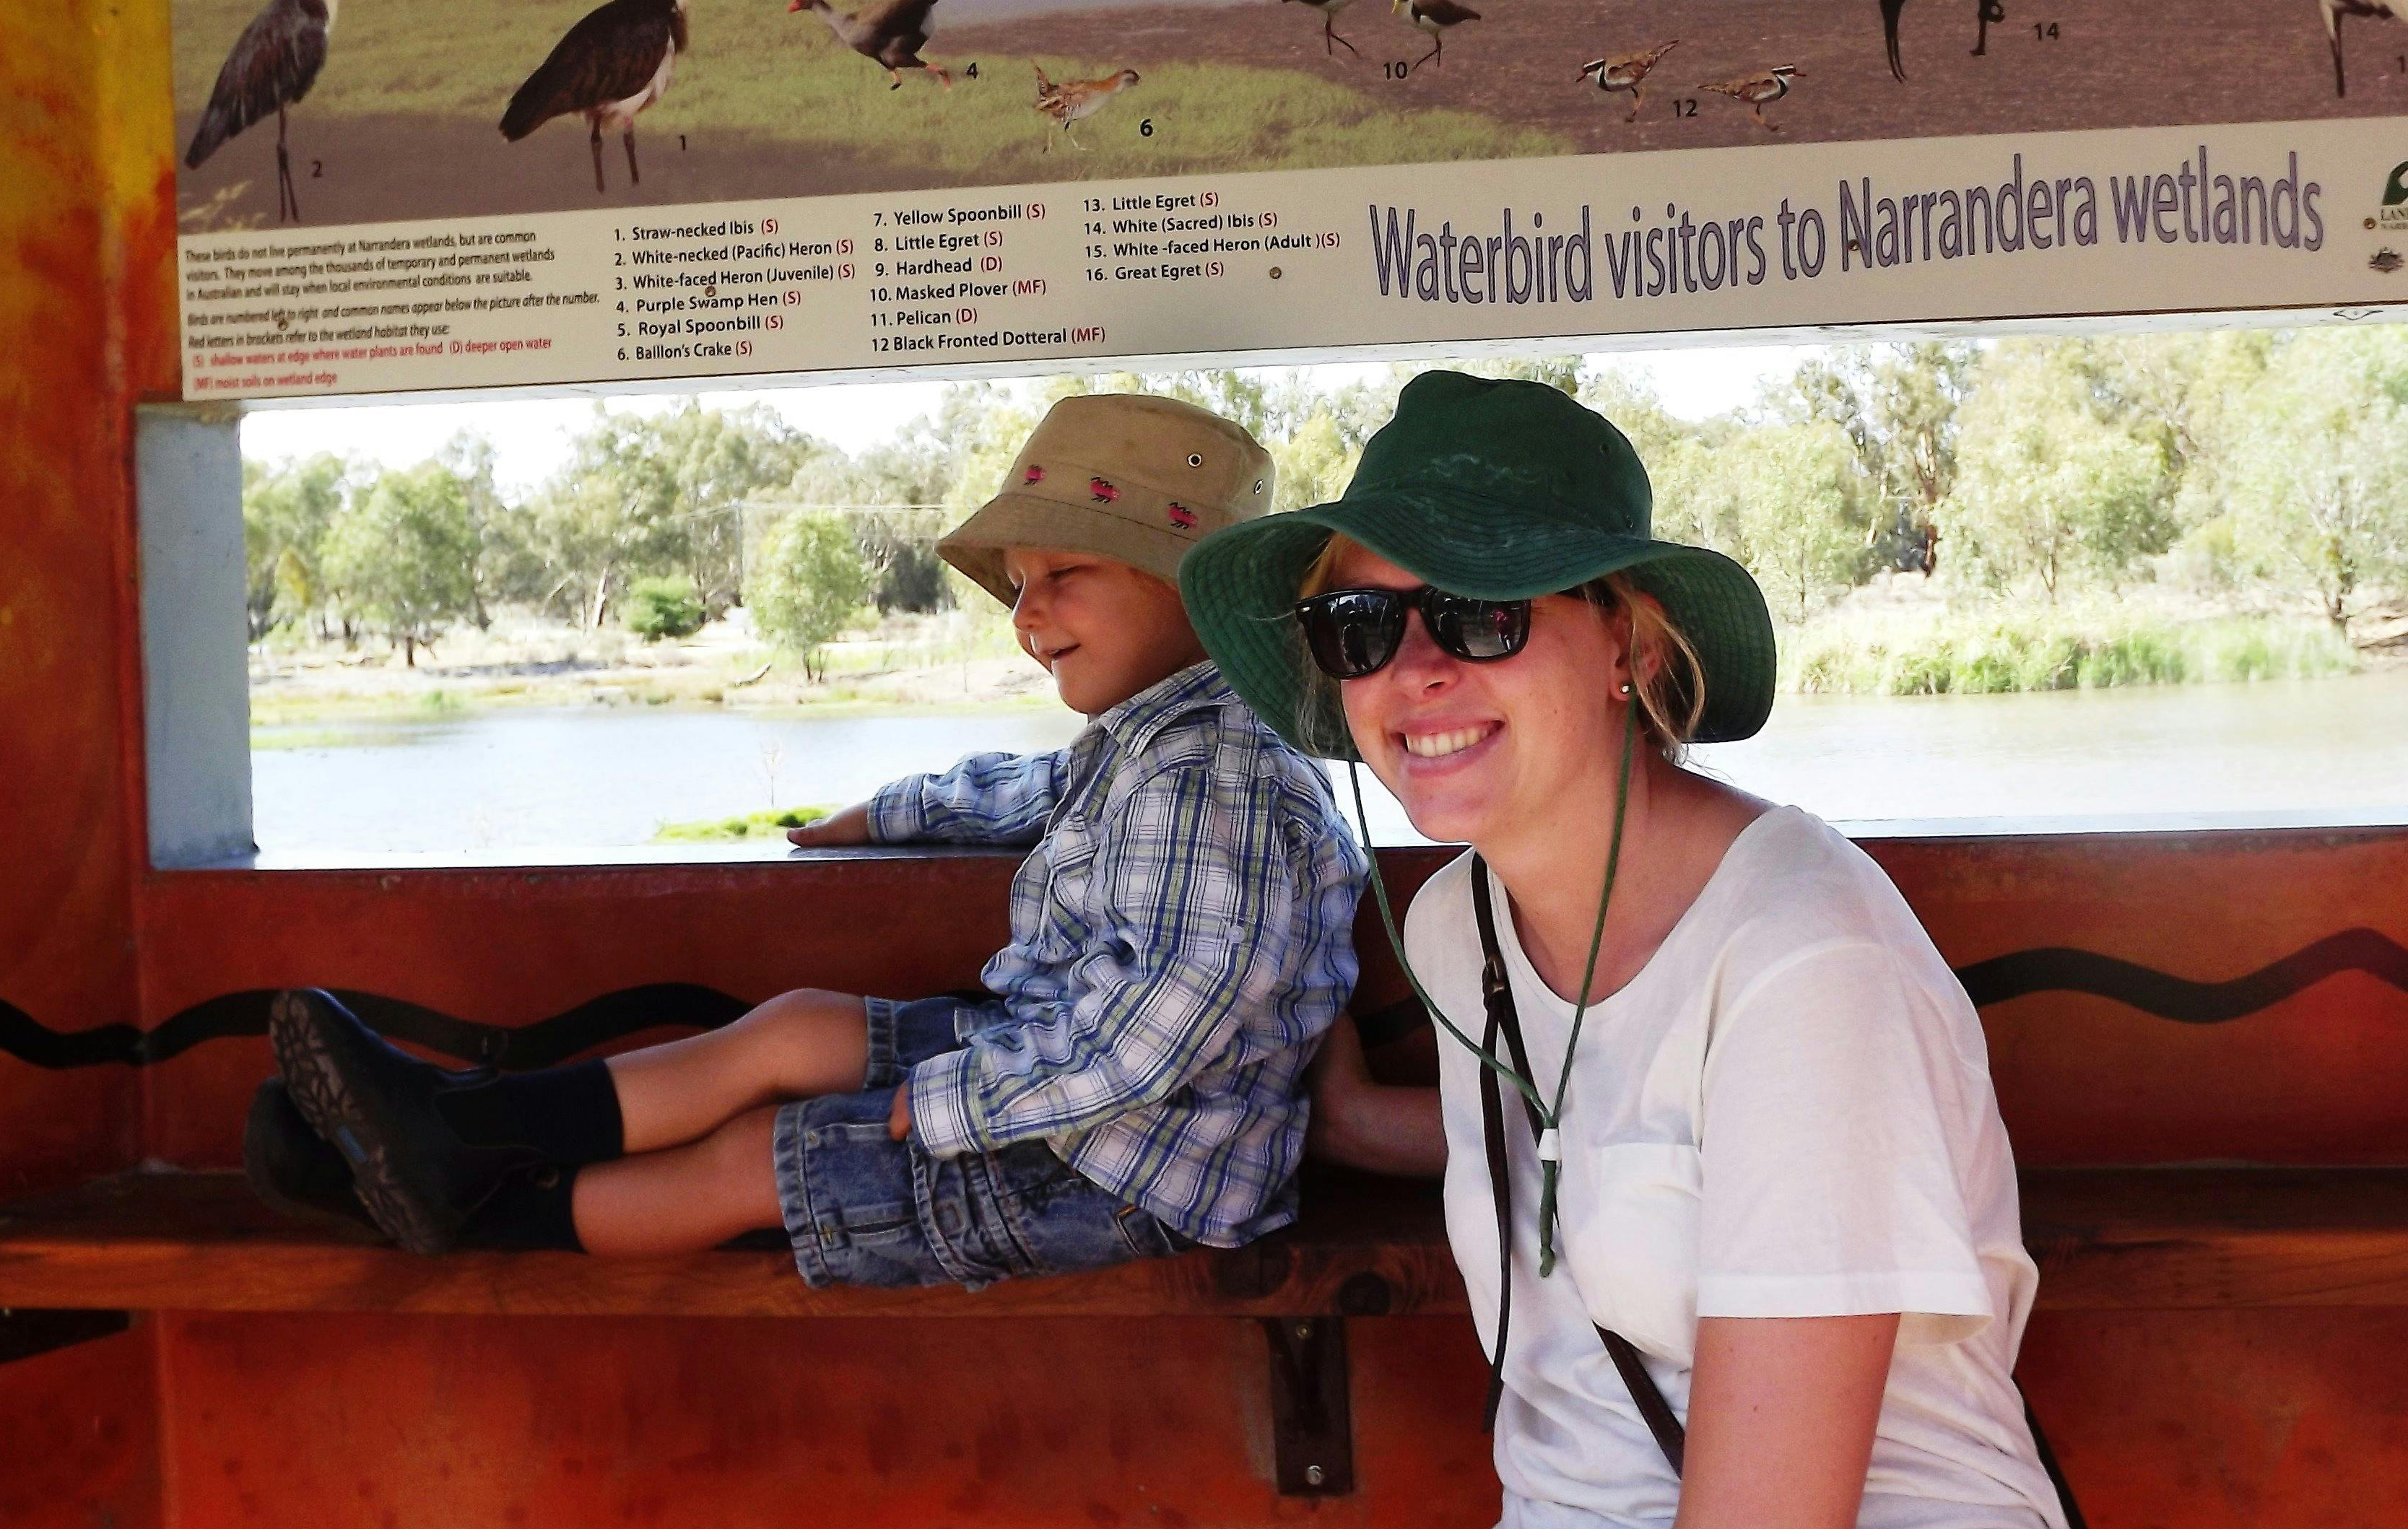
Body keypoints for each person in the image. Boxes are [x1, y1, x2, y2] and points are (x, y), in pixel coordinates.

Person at [1179, 371, 2069, 1529]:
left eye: (1480, 612)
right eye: (1360, 626)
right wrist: (1336, 1110)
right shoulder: (1461, 928)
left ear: (1629, 648)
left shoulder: (1804, 962)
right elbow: (1593, 1146)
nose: (1414, 669)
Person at [252, 393, 1370, 1291]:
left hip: (1120, 1173)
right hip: (1069, 1090)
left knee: (759, 1155)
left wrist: (952, 1104)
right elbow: (1036, 792)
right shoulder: (1160, 742)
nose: (1026, 617)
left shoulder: (1222, 781)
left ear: (1197, 595)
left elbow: (1153, 1041)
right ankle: (447, 1131)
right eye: (1020, 586)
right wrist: (892, 812)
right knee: (790, 1032)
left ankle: (448, 1207)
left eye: (1065, 576)